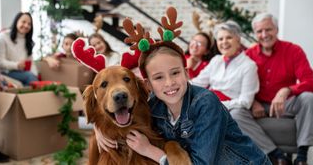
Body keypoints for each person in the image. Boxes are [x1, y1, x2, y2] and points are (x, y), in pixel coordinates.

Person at [94, 18, 271, 164]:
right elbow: (125, 113)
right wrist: (98, 129)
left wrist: (150, 151)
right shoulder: (154, 105)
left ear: (186, 73)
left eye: (175, 73)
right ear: (148, 84)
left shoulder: (205, 103)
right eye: (159, 77)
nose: (169, 83)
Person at [243, 13, 313, 165]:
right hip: (258, 105)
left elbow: (310, 80)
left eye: (268, 30)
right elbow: (238, 86)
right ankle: (276, 154)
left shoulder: (294, 50)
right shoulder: (248, 55)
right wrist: (253, 102)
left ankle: (302, 156)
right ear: (255, 34)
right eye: (259, 31)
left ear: (276, 30)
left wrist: (286, 90)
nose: (264, 35)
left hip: (285, 104)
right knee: (235, 113)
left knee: (308, 98)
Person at [191, 21, 259, 114]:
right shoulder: (216, 60)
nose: (224, 42)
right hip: (207, 103)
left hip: (228, 110)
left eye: (229, 37)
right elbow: (198, 83)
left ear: (238, 41)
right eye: (220, 39)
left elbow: (246, 102)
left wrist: (217, 104)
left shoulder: (249, 66)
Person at [0, 12, 38, 86]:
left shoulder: (28, 41)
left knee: (33, 78)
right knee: (29, 77)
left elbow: (31, 63)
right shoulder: (3, 37)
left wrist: (35, 75)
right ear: (16, 21)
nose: (26, 25)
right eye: (23, 22)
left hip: (21, 73)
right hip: (5, 72)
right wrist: (16, 65)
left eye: (29, 24)